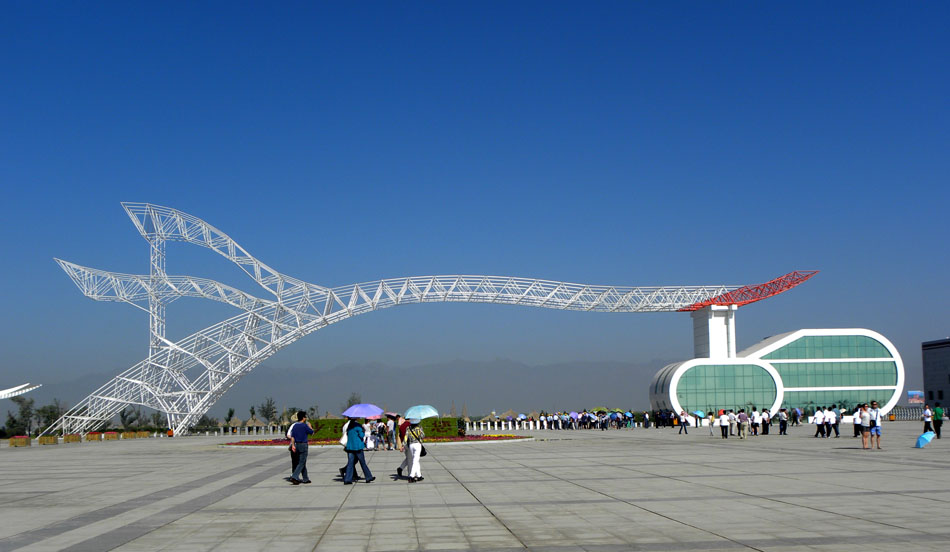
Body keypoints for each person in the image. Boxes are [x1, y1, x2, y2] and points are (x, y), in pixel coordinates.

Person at [343, 417, 375, 484]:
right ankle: (368, 477)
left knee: (350, 463)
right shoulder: (358, 426)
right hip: (357, 446)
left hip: (350, 447)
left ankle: (347, 479)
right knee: (362, 463)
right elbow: (361, 435)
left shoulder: (349, 426)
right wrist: (363, 431)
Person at [288, 411, 313, 485]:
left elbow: (292, 437)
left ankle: (305, 478)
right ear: (303, 418)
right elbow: (312, 433)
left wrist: (293, 445)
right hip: (303, 445)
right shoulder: (305, 426)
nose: (306, 418)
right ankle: (294, 476)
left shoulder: (295, 425)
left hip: (296, 445)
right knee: (302, 462)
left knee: (302, 462)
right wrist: (310, 426)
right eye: (305, 417)